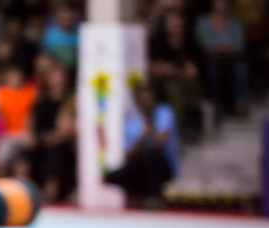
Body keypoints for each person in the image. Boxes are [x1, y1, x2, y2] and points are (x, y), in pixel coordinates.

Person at [106, 83, 179, 204]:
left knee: (151, 155)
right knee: (114, 175)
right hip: (142, 165)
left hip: (164, 165)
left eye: (149, 99)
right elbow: (129, 155)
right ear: (138, 102)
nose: (147, 103)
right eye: (143, 100)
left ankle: (154, 197)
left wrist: (150, 130)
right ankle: (136, 198)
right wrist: (143, 137)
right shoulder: (131, 122)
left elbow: (160, 143)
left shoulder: (164, 112)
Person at [21, 63, 76, 200]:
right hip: (40, 137)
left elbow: (66, 127)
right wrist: (30, 135)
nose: (57, 80)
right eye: (54, 76)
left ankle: (50, 193)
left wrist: (54, 138)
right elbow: (31, 119)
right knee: (25, 152)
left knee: (54, 152)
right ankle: (23, 191)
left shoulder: (70, 100)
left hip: (59, 140)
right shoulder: (41, 97)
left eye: (61, 76)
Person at [149, 10, 202, 138]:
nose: (175, 27)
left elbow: (192, 73)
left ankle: (175, 132)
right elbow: (153, 68)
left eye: (178, 24)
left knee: (173, 87)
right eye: (172, 23)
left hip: (187, 85)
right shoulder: (157, 42)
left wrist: (173, 70)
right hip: (160, 83)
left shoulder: (191, 44)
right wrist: (165, 70)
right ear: (165, 26)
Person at [195, 0, 249, 115]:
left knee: (241, 69)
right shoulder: (202, 22)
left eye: (224, 2)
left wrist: (218, 48)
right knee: (212, 70)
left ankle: (240, 104)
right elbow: (204, 45)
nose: (221, 4)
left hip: (231, 60)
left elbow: (239, 45)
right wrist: (225, 48)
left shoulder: (235, 24)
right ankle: (216, 106)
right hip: (211, 60)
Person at [40, 1, 79, 72]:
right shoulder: (50, 34)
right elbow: (44, 54)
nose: (66, 16)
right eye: (63, 12)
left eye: (69, 12)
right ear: (57, 15)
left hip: (76, 69)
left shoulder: (80, 33)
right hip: (55, 70)